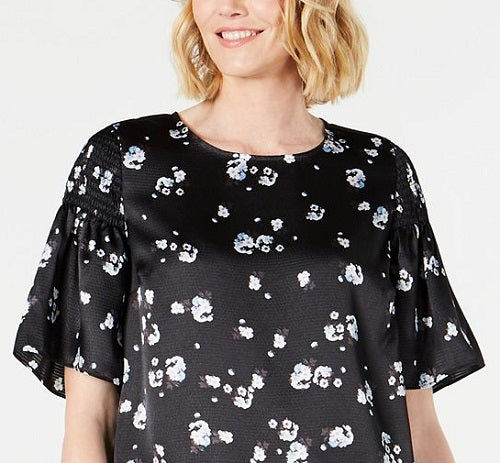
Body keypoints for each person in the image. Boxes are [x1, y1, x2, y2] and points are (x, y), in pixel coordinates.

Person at [12, 0, 486, 462]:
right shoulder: (127, 163)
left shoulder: (378, 171)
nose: (228, 7)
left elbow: (417, 419)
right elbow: (88, 421)